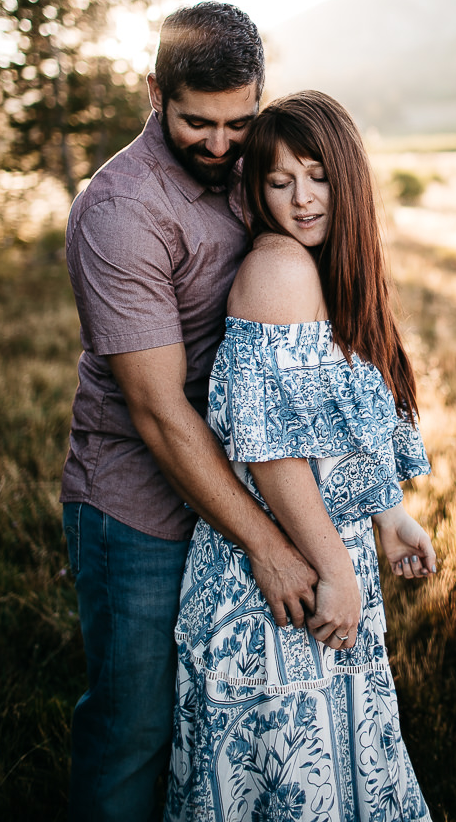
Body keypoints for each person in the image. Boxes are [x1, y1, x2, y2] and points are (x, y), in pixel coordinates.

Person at [61, 3, 323, 822]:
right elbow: (157, 411)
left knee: (215, 720)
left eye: (237, 122)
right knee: (134, 728)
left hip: (241, 490)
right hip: (137, 507)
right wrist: (271, 548)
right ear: (154, 92)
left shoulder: (256, 166)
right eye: (195, 123)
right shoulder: (121, 210)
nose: (218, 144)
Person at [164, 90, 436, 822]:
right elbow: (273, 450)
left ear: (346, 177)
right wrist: (338, 573)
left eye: (316, 175)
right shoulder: (280, 269)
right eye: (279, 182)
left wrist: (390, 517)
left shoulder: (328, 274)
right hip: (279, 589)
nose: (302, 199)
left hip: (322, 558)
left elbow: (338, 425)